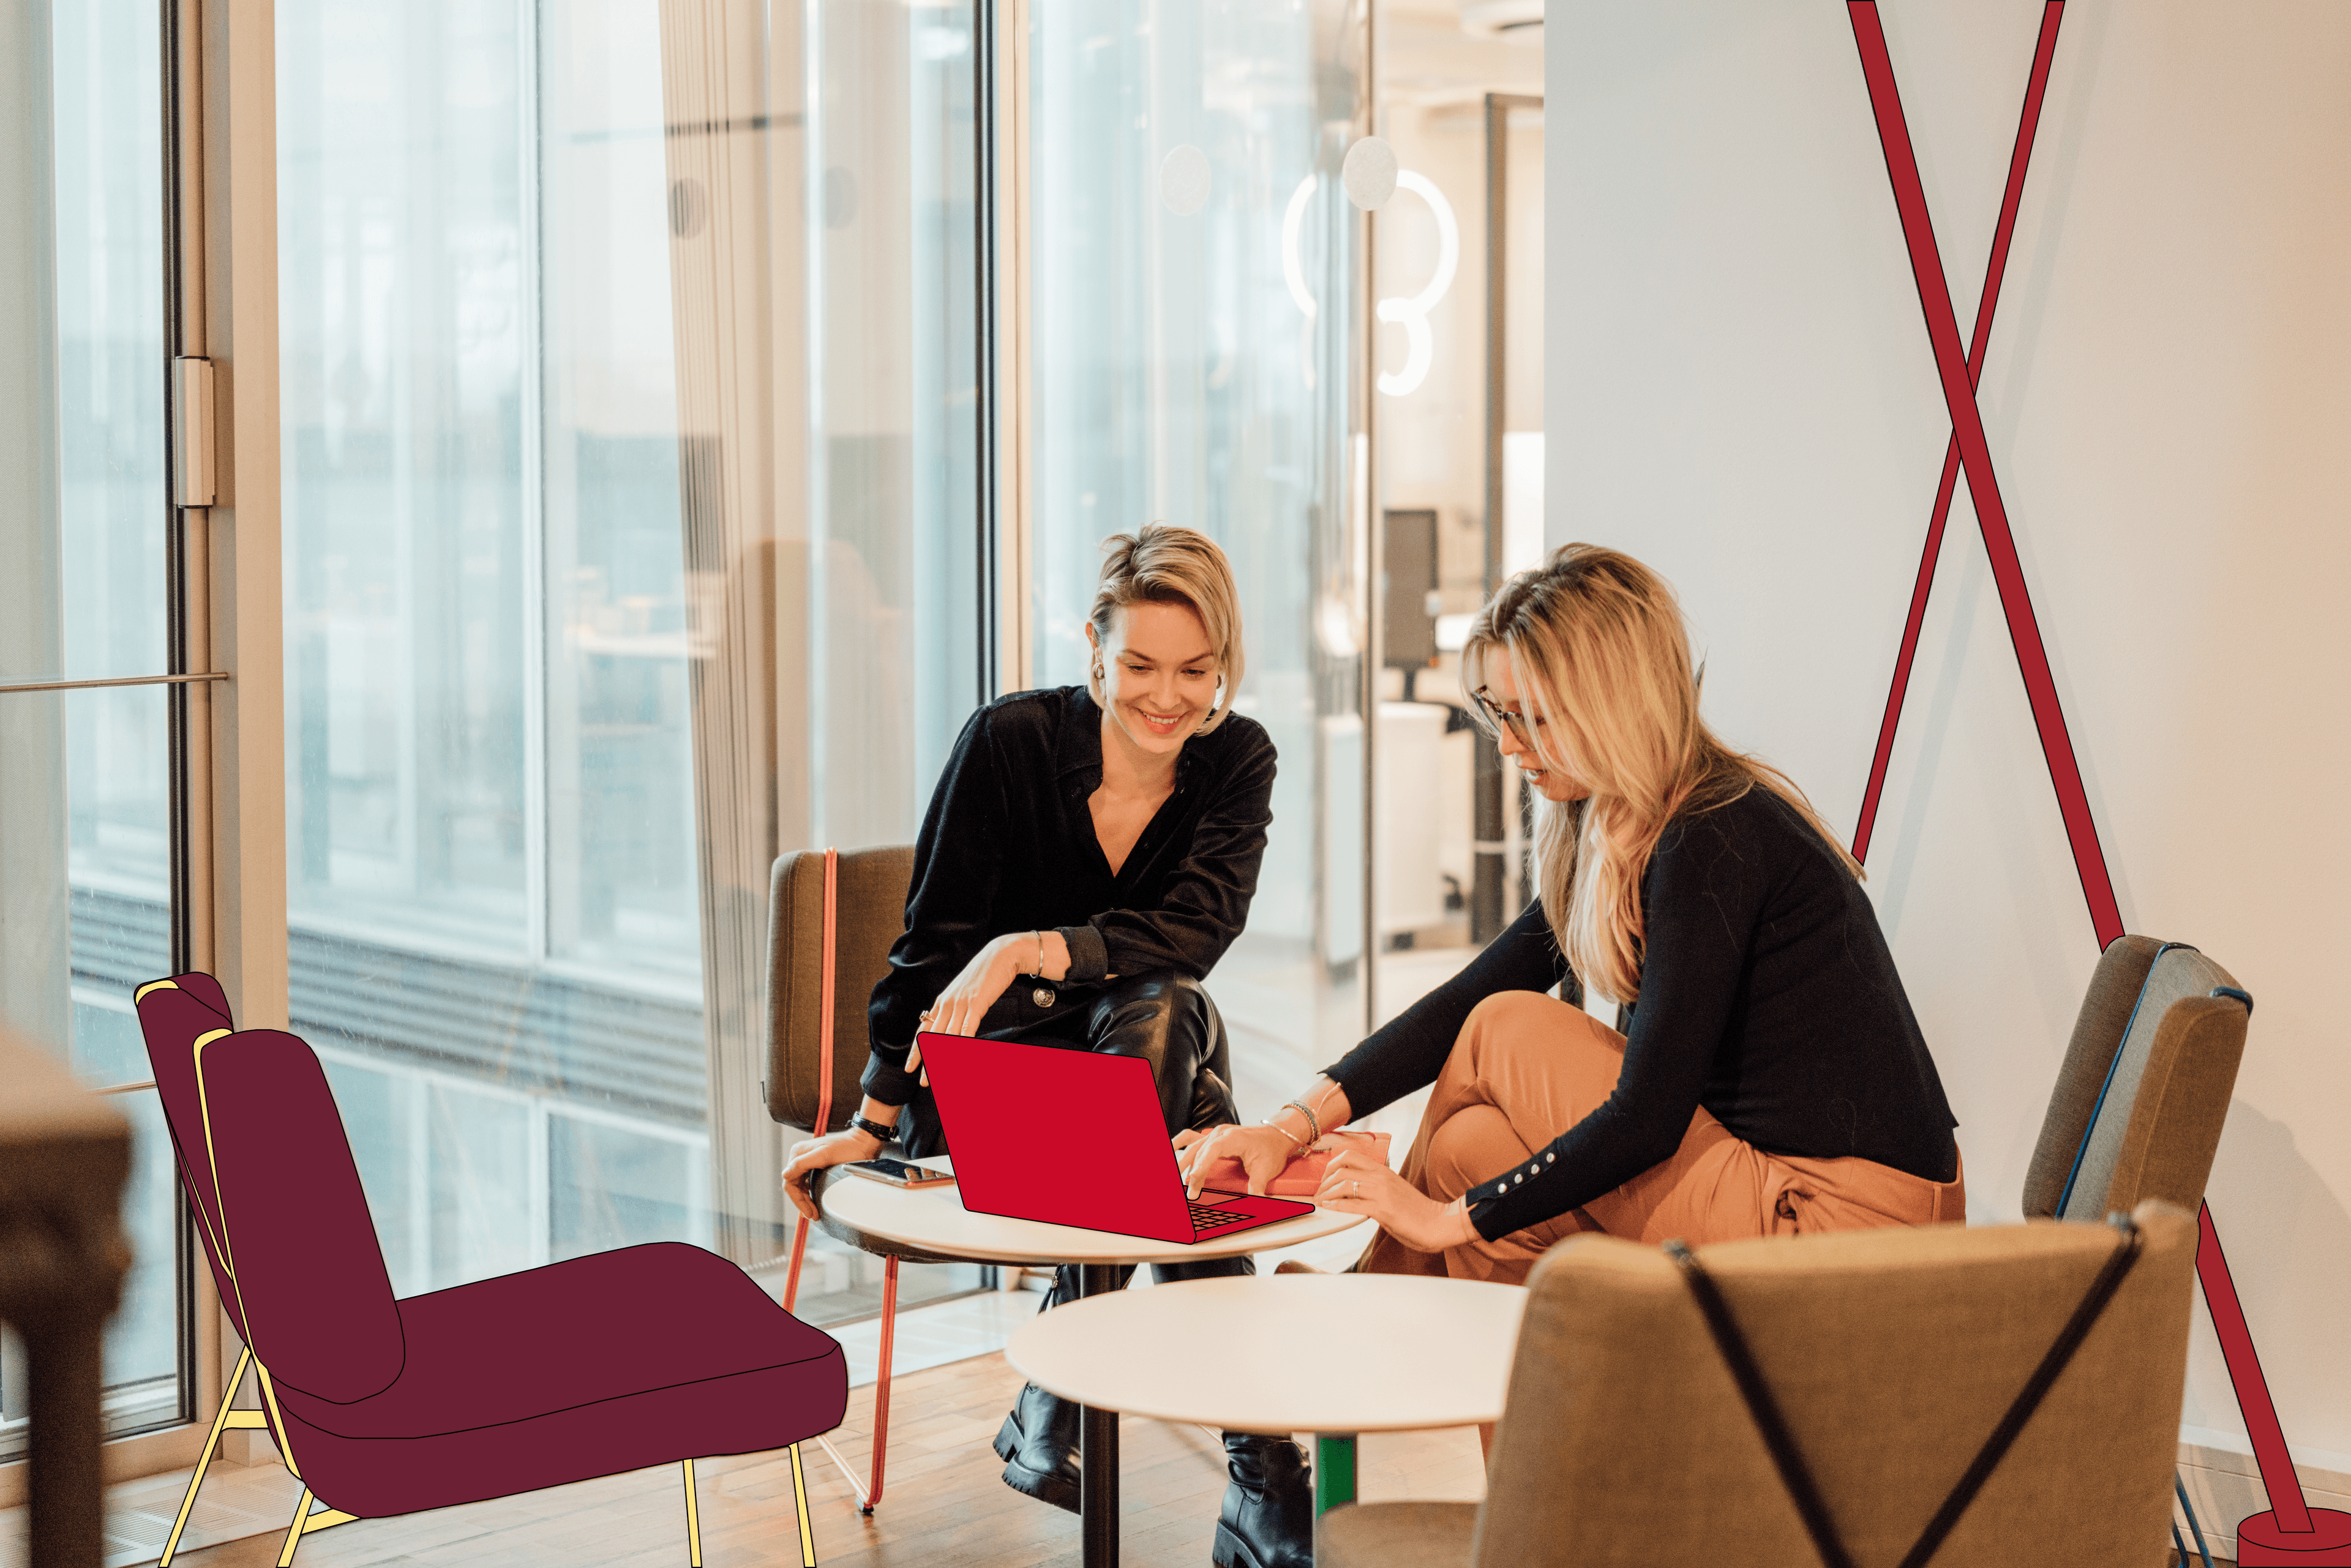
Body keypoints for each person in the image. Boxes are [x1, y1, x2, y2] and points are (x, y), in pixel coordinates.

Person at [1177, 542, 1963, 1293]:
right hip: (1765, 1185)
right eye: (1499, 714)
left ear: (1614, 704)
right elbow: (1467, 991)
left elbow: (1646, 1117)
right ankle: (1506, 1412)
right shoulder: (1624, 826)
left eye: (1536, 718)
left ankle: (1370, 1297)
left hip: (1846, 1225)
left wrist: (1445, 1219)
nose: (1510, 746)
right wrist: (1292, 1127)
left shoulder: (1713, 833)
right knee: (1465, 1147)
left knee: (1506, 1029)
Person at [779, 523, 1314, 1568]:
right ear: (1094, 649)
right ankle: (1256, 1467)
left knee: (1167, 1012)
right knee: (1189, 1079)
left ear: (1225, 668)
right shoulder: (1009, 742)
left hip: (1126, 1089)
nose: (1169, 699)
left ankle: (1066, 1388)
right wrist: (871, 1120)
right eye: (1142, 666)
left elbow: (1199, 931)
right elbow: (930, 948)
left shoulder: (1234, 759)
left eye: (1197, 671)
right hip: (993, 1091)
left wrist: (1024, 949)